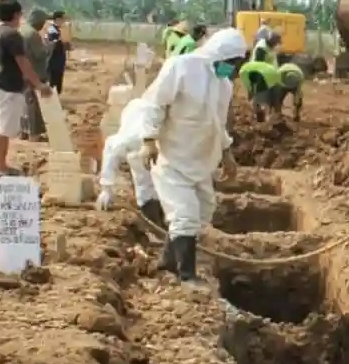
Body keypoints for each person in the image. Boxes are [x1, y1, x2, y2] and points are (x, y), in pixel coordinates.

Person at [138, 27, 247, 289]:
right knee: (184, 214)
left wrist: (226, 153)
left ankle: (167, 262)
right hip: (172, 159)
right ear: (219, 55)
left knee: (201, 212)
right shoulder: (181, 68)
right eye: (231, 63)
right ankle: (187, 277)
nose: (232, 69)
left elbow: (217, 124)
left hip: (200, 161)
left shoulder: (224, 85)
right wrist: (148, 139)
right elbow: (155, 103)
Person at [0, 0, 51, 176]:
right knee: (4, 128)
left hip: (0, 84)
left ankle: (1, 163)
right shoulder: (12, 35)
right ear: (16, 14)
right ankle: (1, 166)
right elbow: (23, 63)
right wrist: (39, 84)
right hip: (9, 87)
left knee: (2, 126)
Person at [95, 96, 165, 228]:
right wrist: (106, 188)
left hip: (156, 138)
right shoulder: (128, 141)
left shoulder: (169, 141)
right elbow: (111, 149)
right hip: (139, 141)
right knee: (145, 185)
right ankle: (152, 219)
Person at [19, 9, 51, 140]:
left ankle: (23, 131)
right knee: (34, 104)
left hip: (22, 72)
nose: (43, 24)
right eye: (43, 21)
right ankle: (34, 134)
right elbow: (41, 53)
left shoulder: (21, 30)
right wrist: (48, 45)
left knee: (24, 103)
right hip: (34, 72)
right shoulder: (33, 34)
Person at [45, 10, 69, 94]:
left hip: (58, 60)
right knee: (53, 81)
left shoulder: (57, 29)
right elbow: (53, 44)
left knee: (58, 81)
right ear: (58, 19)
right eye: (62, 19)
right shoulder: (52, 29)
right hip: (54, 61)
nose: (64, 21)